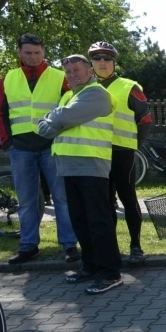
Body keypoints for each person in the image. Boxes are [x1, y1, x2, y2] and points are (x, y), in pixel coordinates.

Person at [37, 55, 123, 294]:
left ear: (89, 72)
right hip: (68, 166)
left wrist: (57, 118)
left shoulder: (97, 94)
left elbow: (61, 118)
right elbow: (44, 129)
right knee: (80, 220)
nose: (72, 74)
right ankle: (91, 266)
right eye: (68, 71)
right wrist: (60, 118)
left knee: (98, 221)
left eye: (77, 69)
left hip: (91, 164)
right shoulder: (69, 97)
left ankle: (111, 273)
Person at [0, 33, 79, 265]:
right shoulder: (8, 79)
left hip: (52, 146)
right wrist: (7, 142)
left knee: (62, 198)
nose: (33, 57)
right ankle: (28, 246)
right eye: (28, 53)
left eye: (37, 52)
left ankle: (69, 245)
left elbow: (72, 109)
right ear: (19, 52)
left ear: (44, 52)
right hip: (20, 149)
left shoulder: (60, 77)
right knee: (27, 200)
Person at [88, 41, 152, 264]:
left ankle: (136, 246)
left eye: (107, 58)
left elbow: (145, 120)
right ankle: (110, 250)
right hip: (97, 154)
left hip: (122, 153)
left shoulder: (129, 87)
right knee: (104, 203)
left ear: (114, 62)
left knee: (128, 199)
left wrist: (134, 144)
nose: (102, 62)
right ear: (91, 63)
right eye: (97, 58)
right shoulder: (86, 88)